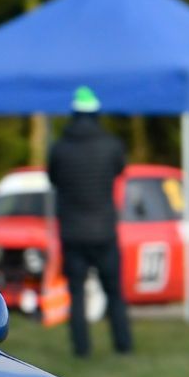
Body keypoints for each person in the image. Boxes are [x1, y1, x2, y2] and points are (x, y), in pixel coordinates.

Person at [46, 86, 132, 356]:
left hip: (72, 231)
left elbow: (53, 179)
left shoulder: (59, 148)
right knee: (114, 292)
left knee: (77, 294)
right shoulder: (112, 145)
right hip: (104, 231)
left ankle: (81, 349)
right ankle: (123, 345)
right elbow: (120, 170)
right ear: (97, 113)